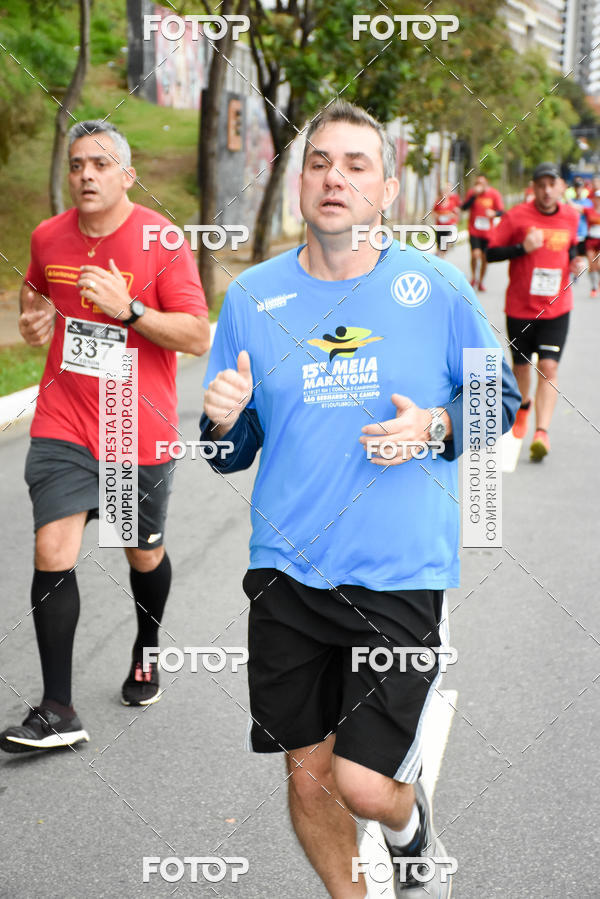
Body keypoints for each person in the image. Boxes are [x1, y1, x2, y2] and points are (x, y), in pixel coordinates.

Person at [200, 101, 520, 898]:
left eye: (355, 164)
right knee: (309, 780)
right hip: (285, 573)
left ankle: (410, 840)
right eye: (319, 163)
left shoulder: (437, 289)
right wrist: (221, 423)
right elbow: (226, 452)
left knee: (366, 784)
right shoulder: (253, 296)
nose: (334, 177)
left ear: (385, 190)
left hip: (398, 571)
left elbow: (501, 401)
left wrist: (435, 424)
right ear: (300, 182)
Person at [0, 121, 209, 753]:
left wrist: (130, 310)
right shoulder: (48, 236)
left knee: (140, 552)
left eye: (99, 164)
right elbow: (34, 292)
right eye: (76, 165)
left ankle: (147, 648)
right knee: (52, 547)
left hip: (132, 426)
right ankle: (58, 708)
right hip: (64, 418)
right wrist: (32, 320)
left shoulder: (161, 240)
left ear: (126, 174)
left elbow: (197, 337)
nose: (86, 175)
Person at [486, 161, 584, 461]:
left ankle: (542, 432)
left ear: (559, 187)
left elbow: (571, 248)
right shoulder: (516, 217)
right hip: (521, 308)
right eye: (540, 184)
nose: (546, 190)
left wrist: (576, 262)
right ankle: (523, 407)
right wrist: (521, 249)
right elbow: (491, 252)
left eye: (551, 184)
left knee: (550, 367)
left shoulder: (571, 215)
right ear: (534, 187)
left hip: (557, 307)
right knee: (521, 367)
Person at [461, 174, 504, 291]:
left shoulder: (494, 194)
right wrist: (474, 196)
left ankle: (481, 280)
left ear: (486, 184)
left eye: (481, 183)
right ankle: (474, 277)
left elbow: (501, 211)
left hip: (488, 233)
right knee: (475, 254)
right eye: (477, 183)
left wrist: (494, 214)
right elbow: (464, 208)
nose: (479, 185)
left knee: (485, 258)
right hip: (474, 230)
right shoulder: (472, 193)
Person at [432, 182, 460, 256]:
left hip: (449, 226)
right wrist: (437, 216)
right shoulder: (437, 203)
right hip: (440, 226)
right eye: (443, 192)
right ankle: (440, 256)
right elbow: (433, 212)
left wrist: (451, 215)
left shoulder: (452, 202)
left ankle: (442, 254)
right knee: (439, 244)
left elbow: (456, 213)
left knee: (445, 243)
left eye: (446, 192)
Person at [582, 190, 600, 297]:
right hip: (591, 240)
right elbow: (576, 208)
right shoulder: (589, 210)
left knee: (599, 264)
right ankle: (594, 286)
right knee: (591, 264)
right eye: (597, 198)